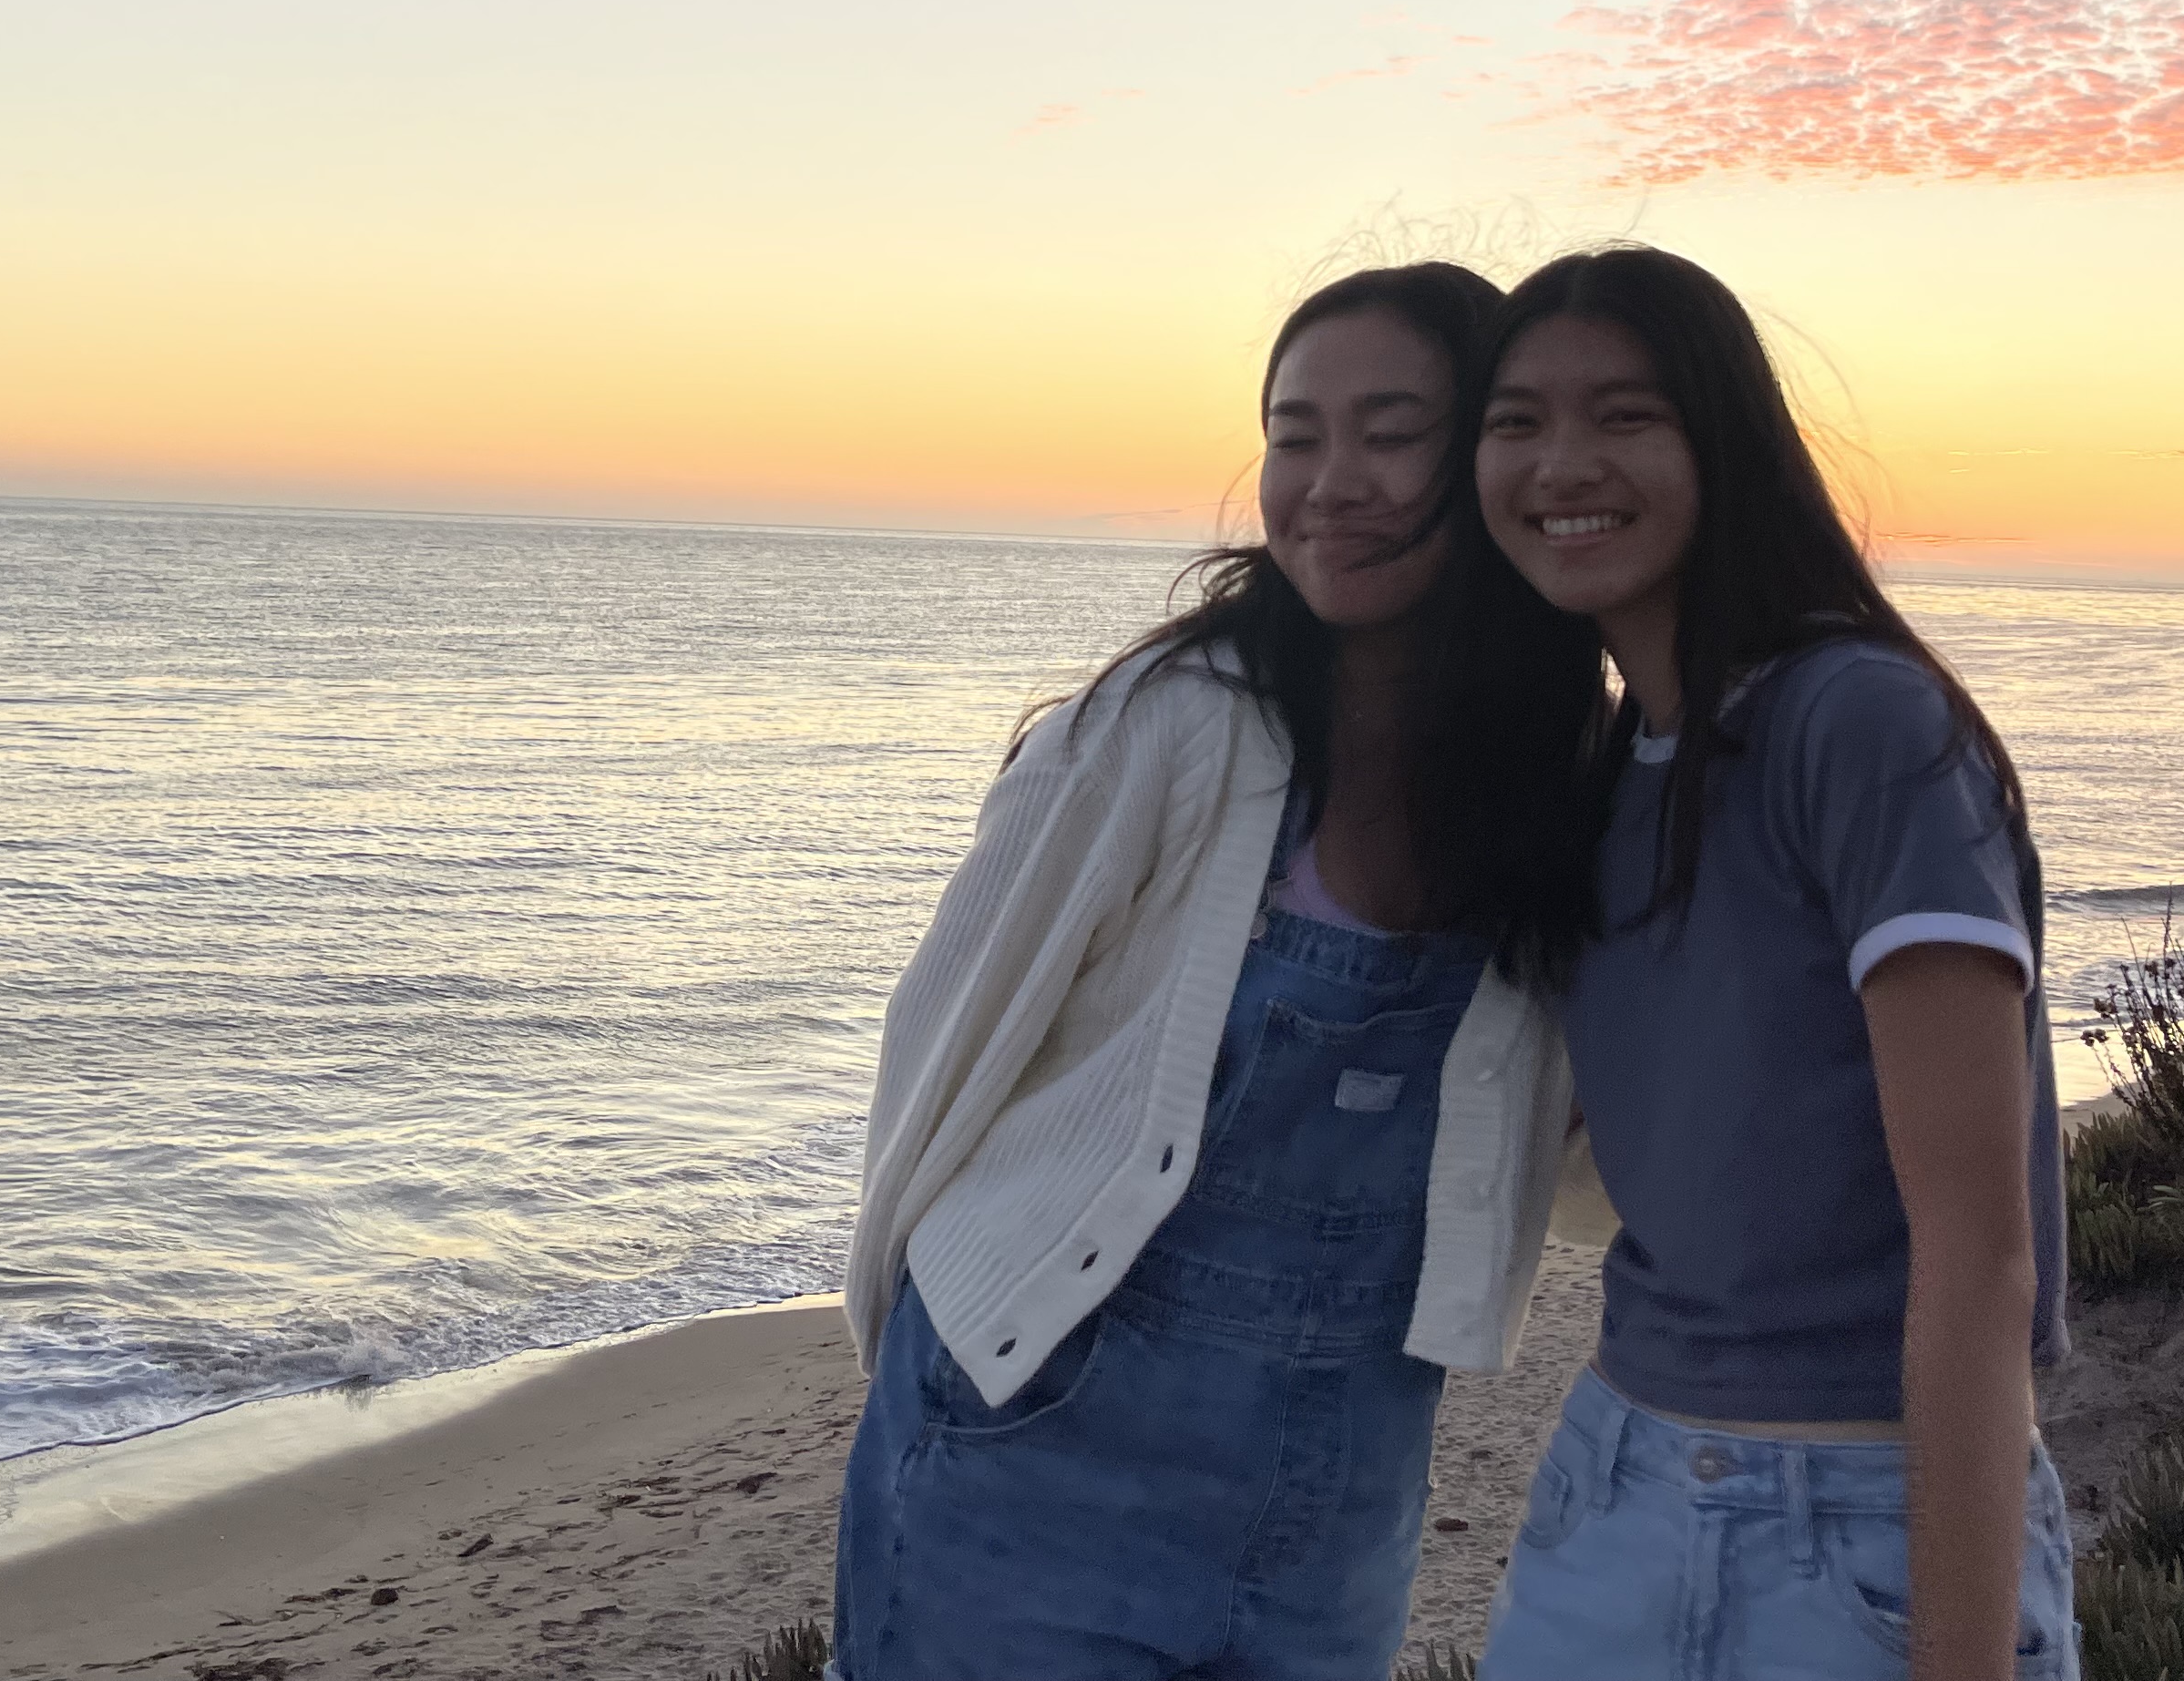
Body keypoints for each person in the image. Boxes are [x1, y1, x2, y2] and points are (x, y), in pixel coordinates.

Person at [833, 262, 1599, 1681]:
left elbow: (1574, 1151)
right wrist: (914, 1374)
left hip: (1341, 1494)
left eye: (1391, 433)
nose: (1332, 484)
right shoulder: (1157, 730)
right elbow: (940, 1056)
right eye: (1294, 437)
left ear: (1491, 456)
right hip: (1028, 1450)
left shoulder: (1557, 784)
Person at [1469, 246, 2078, 1681]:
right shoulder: (1609, 772)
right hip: (1612, 1485)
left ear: (1725, 440)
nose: (1564, 462)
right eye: (1517, 421)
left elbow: (1982, 1258)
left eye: (1626, 414)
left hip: (1851, 1513)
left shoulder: (1857, 723)